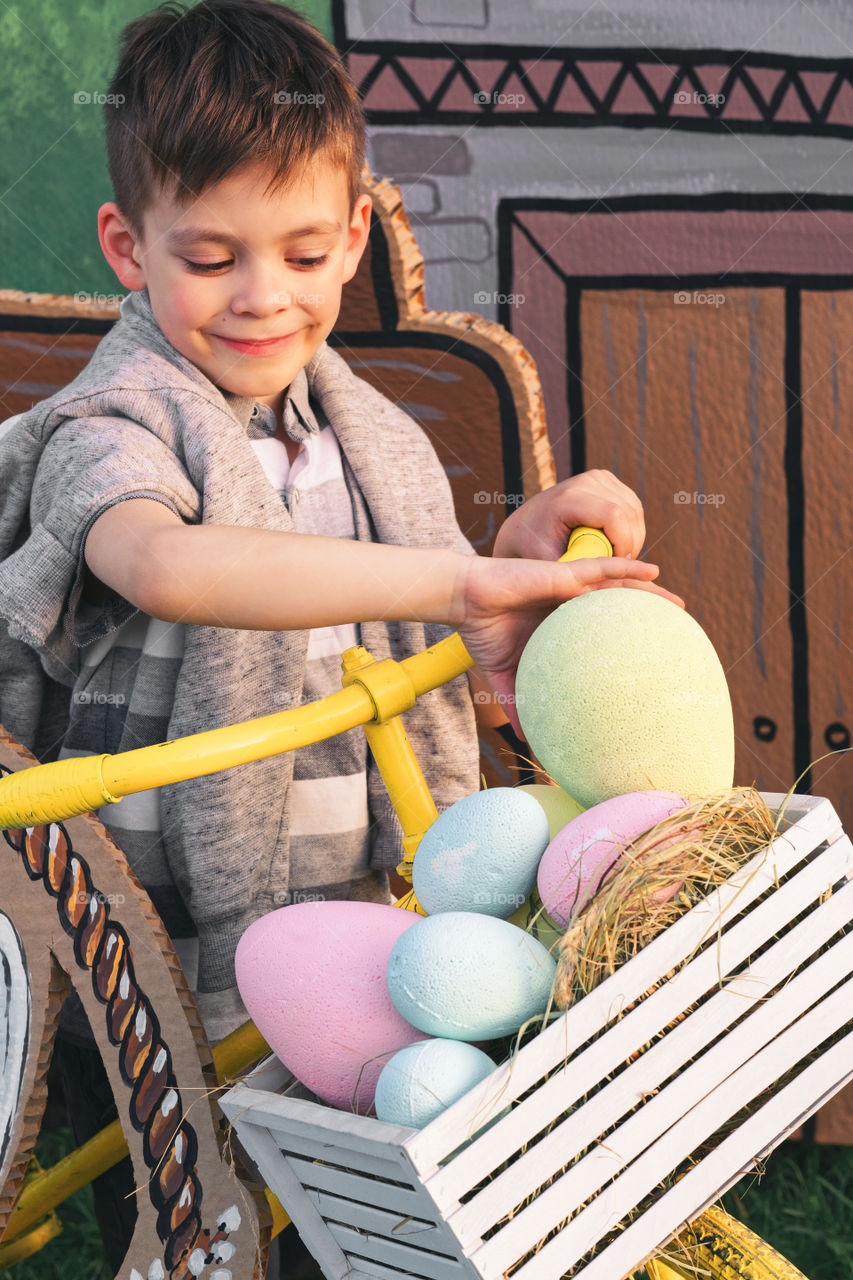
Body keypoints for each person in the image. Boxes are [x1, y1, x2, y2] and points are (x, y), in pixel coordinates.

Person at [0, 0, 682, 1272]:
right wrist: (465, 574)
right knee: (192, 1208)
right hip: (166, 933)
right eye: (212, 257)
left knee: (363, 1194)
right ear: (128, 249)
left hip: (368, 895)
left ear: (355, 235)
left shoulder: (367, 431)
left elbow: (395, 605)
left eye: (304, 252)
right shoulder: (113, 426)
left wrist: (516, 546)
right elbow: (167, 563)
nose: (264, 297)